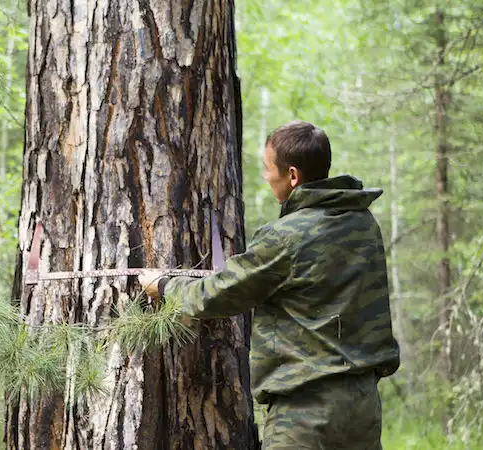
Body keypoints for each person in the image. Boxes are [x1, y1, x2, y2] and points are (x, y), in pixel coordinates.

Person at [138, 120, 400, 450]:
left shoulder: (286, 236)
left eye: (267, 168)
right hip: (364, 406)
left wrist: (164, 287)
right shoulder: (363, 223)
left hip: (305, 412)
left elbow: (222, 292)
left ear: (293, 175)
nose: (265, 176)